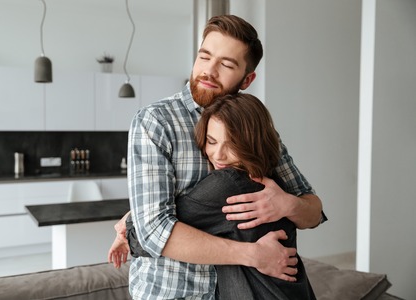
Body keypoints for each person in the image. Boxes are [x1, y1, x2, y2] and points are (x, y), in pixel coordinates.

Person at [109, 15, 325, 300]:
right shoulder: (155, 122)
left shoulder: (253, 127)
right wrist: (253, 255)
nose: (209, 71)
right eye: (205, 56)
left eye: (226, 64)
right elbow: (154, 232)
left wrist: (287, 203)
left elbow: (313, 213)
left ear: (247, 79)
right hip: (172, 293)